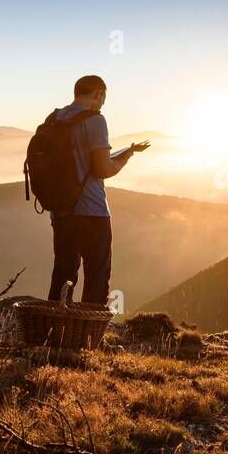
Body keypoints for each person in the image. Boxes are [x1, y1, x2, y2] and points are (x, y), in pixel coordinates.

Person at [47, 74, 148, 305]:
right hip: (91, 210)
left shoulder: (54, 119)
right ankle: (89, 335)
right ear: (98, 94)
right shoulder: (95, 120)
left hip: (61, 210)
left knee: (63, 273)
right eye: (103, 98)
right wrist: (125, 158)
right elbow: (103, 169)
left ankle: (54, 330)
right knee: (97, 275)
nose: (103, 103)